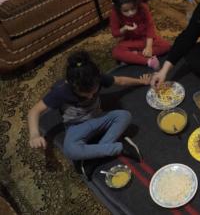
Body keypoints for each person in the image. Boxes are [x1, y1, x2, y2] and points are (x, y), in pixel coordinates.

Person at [27, 51, 150, 180]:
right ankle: (118, 148)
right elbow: (34, 111)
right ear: (71, 85)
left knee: (125, 115)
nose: (91, 96)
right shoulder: (61, 91)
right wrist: (34, 135)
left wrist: (141, 82)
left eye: (93, 91)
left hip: (98, 118)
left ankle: (93, 158)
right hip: (76, 127)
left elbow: (120, 81)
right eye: (85, 94)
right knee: (70, 150)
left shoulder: (96, 77)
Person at [110, 0, 171, 70]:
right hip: (130, 41)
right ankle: (148, 61)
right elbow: (115, 33)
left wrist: (149, 47)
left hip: (146, 39)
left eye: (133, 8)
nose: (130, 13)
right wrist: (124, 29)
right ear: (117, 8)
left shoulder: (143, 7)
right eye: (125, 11)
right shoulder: (114, 13)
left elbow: (150, 27)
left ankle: (134, 56)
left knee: (166, 46)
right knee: (116, 52)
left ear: (136, 2)